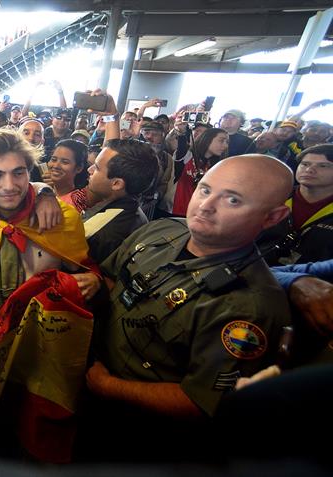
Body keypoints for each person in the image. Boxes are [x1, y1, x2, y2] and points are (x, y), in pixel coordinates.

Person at [81, 154, 295, 461]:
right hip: (91, 384)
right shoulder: (161, 230)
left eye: (233, 200)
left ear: (272, 217)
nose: (206, 206)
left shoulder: (249, 305)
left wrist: (109, 386)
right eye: (205, 190)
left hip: (143, 434)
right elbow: (112, 278)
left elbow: (201, 401)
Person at [0, 129, 98, 317]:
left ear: (29, 173)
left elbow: (84, 267)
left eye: (18, 173)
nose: (9, 186)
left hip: (38, 330)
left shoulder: (63, 219)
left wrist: (94, 279)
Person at [82, 138, 158, 263]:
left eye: (96, 168)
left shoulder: (104, 233)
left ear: (116, 184)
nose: (89, 170)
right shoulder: (130, 208)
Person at [263, 144, 333, 265]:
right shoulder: (272, 196)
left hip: (310, 280)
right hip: (252, 271)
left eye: (323, 166)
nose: (309, 170)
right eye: (305, 164)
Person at [168, 127, 229, 217]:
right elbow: (181, 148)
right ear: (207, 139)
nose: (225, 146)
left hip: (194, 213)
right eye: (221, 141)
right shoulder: (187, 155)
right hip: (172, 210)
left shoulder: (214, 166)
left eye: (227, 142)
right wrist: (181, 132)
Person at [47, 139, 88, 204]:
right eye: (54, 159)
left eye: (65, 162)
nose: (56, 166)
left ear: (79, 168)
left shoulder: (76, 202)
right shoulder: (42, 192)